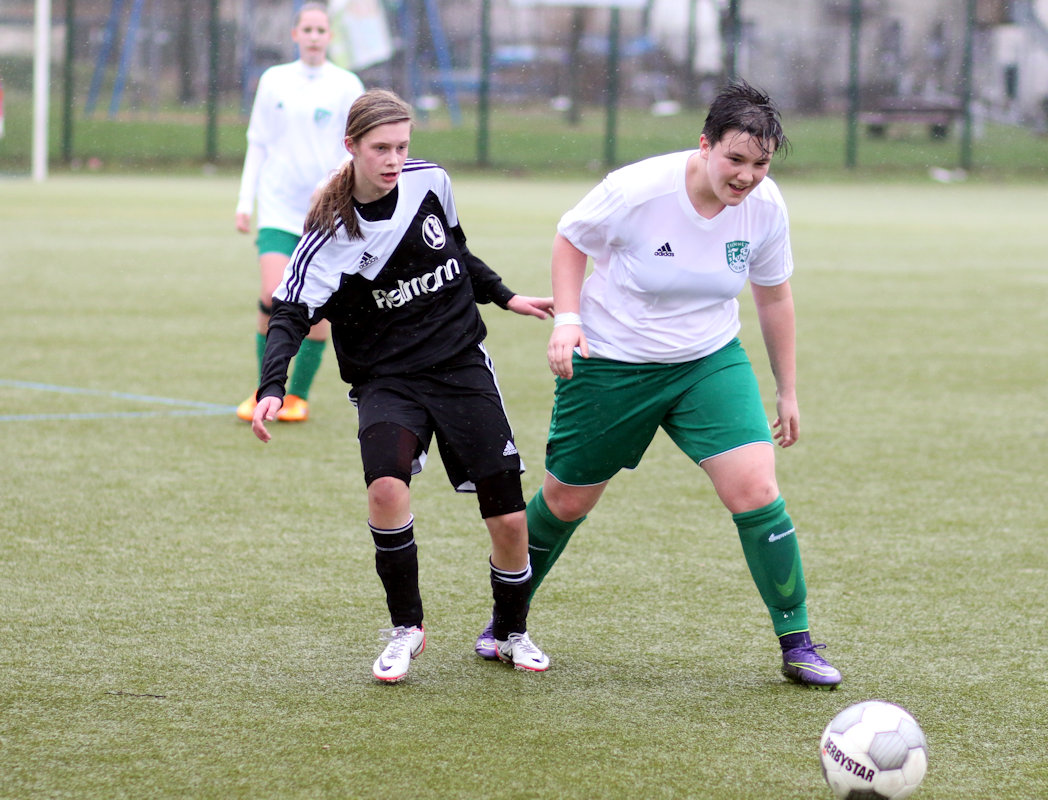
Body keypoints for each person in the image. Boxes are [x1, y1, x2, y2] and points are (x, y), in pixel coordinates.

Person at [475, 80, 842, 689]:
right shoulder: (638, 190)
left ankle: (798, 640)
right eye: (735, 159)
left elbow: (774, 296)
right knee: (566, 501)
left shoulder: (766, 206)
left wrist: (788, 389)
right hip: (613, 361)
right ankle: (504, 622)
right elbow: (571, 240)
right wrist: (567, 320)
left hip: (708, 361)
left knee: (755, 488)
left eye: (760, 163)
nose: (747, 176)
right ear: (704, 145)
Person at [250, 88, 554, 682]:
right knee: (386, 489)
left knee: (510, 519)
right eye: (381, 148)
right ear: (352, 148)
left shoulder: (430, 181)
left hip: (461, 365)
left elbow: (457, 250)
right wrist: (273, 385)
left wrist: (505, 296)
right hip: (387, 379)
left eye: (402, 147)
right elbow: (288, 312)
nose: (394, 160)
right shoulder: (327, 234)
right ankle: (405, 629)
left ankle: (511, 632)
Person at [234, 2, 364, 424]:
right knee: (274, 296)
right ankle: (266, 391)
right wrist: (243, 202)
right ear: (294, 35)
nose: (312, 36)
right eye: (306, 29)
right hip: (276, 206)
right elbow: (258, 142)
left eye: (320, 30)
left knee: (316, 303)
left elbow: (359, 147)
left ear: (329, 36)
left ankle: (297, 397)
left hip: (326, 212)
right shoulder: (274, 80)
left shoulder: (347, 85)